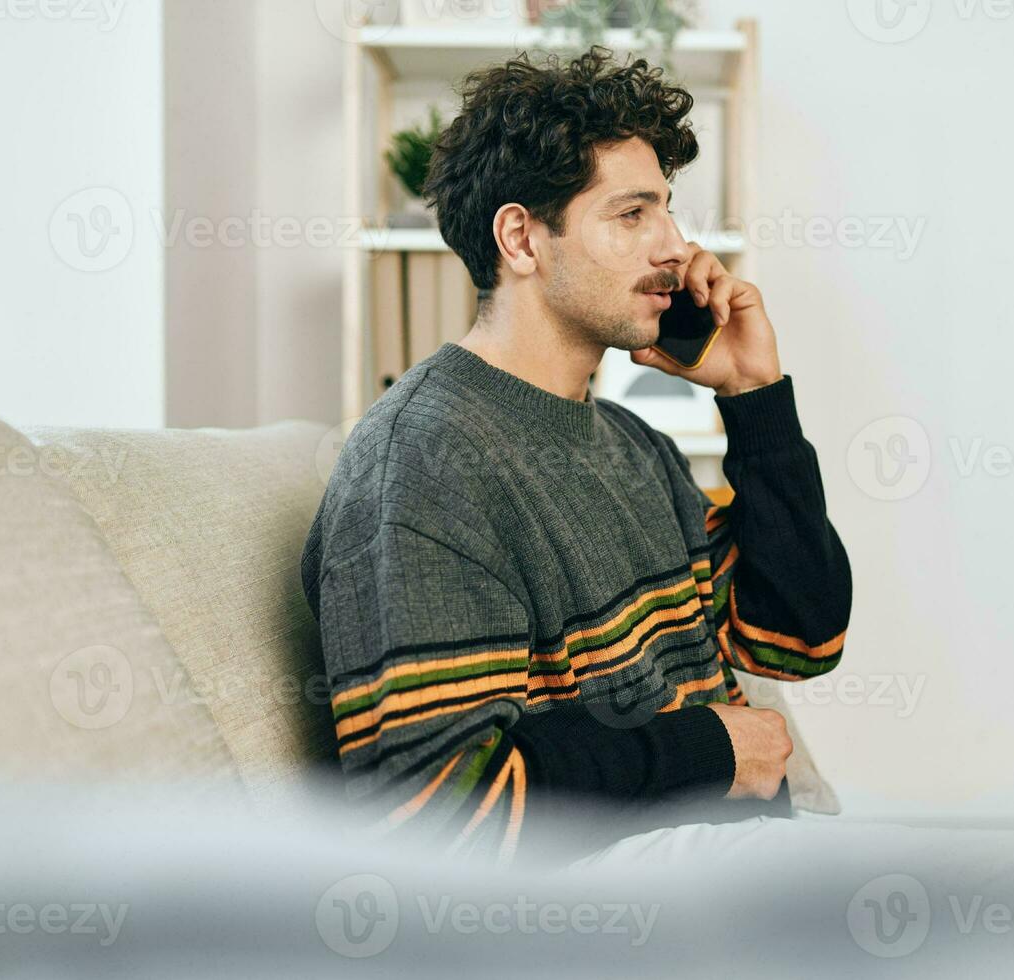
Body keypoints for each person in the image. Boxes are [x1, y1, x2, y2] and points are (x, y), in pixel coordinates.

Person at [301, 46, 853, 867]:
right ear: (522, 238)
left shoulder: (633, 444)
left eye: (666, 211)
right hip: (609, 900)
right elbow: (435, 810)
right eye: (632, 216)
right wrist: (712, 751)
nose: (676, 247)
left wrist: (754, 397)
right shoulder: (424, 463)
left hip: (739, 870)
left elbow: (796, 639)